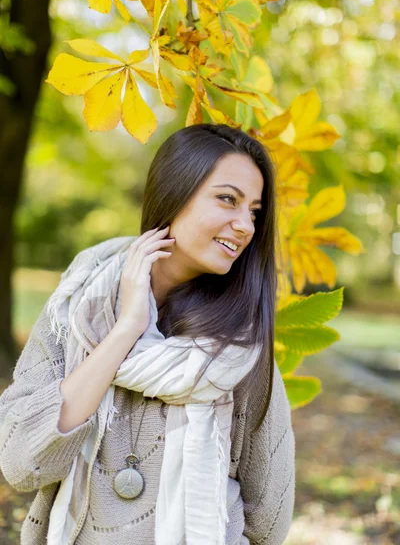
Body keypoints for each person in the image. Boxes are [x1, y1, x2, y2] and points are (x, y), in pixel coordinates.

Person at [0, 123, 295, 544]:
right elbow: (23, 462)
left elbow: (268, 521)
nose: (245, 225)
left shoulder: (238, 349)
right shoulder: (78, 306)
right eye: (227, 199)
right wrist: (126, 331)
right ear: (174, 194)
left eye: (253, 211)